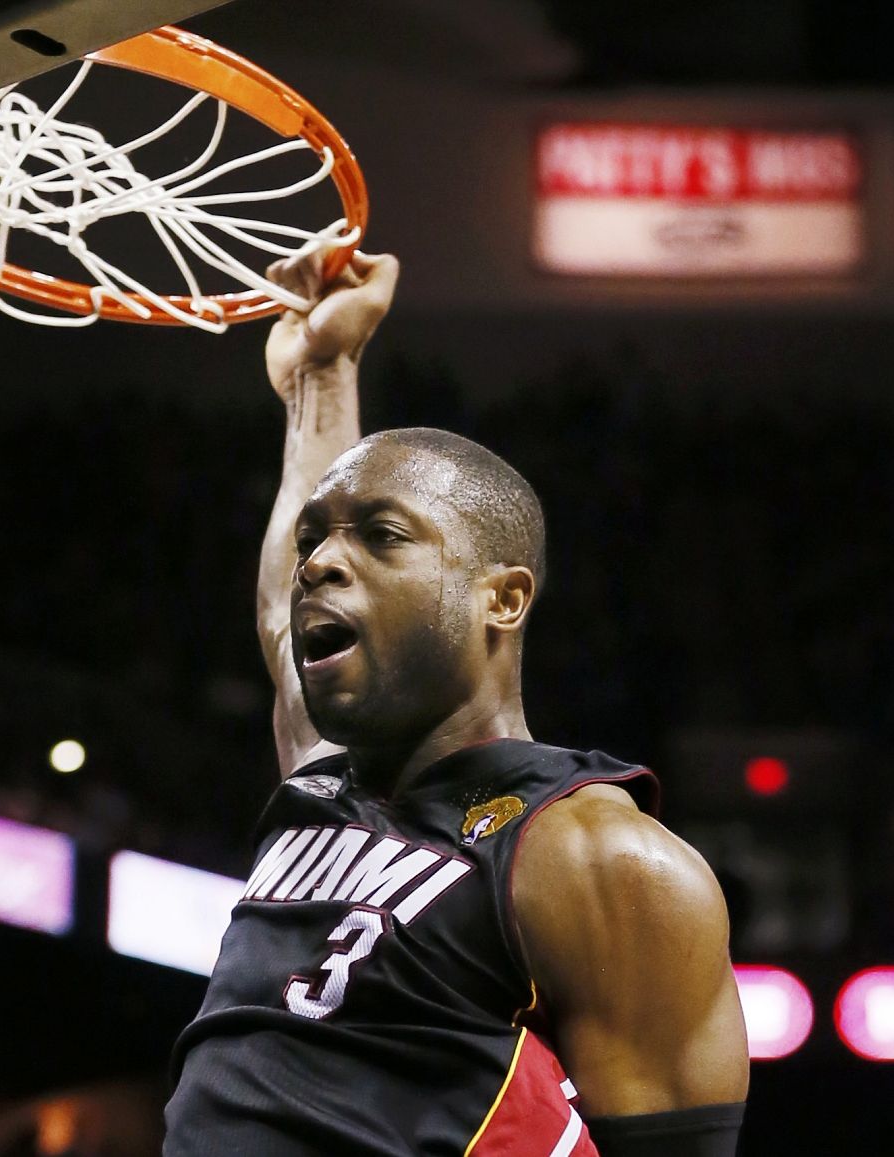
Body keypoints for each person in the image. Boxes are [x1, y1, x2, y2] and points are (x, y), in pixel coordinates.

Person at [163, 247, 749, 1156]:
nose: (319, 562)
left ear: (502, 599)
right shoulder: (322, 784)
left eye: (382, 536)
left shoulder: (598, 859)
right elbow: (286, 611)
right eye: (317, 539)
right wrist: (324, 373)